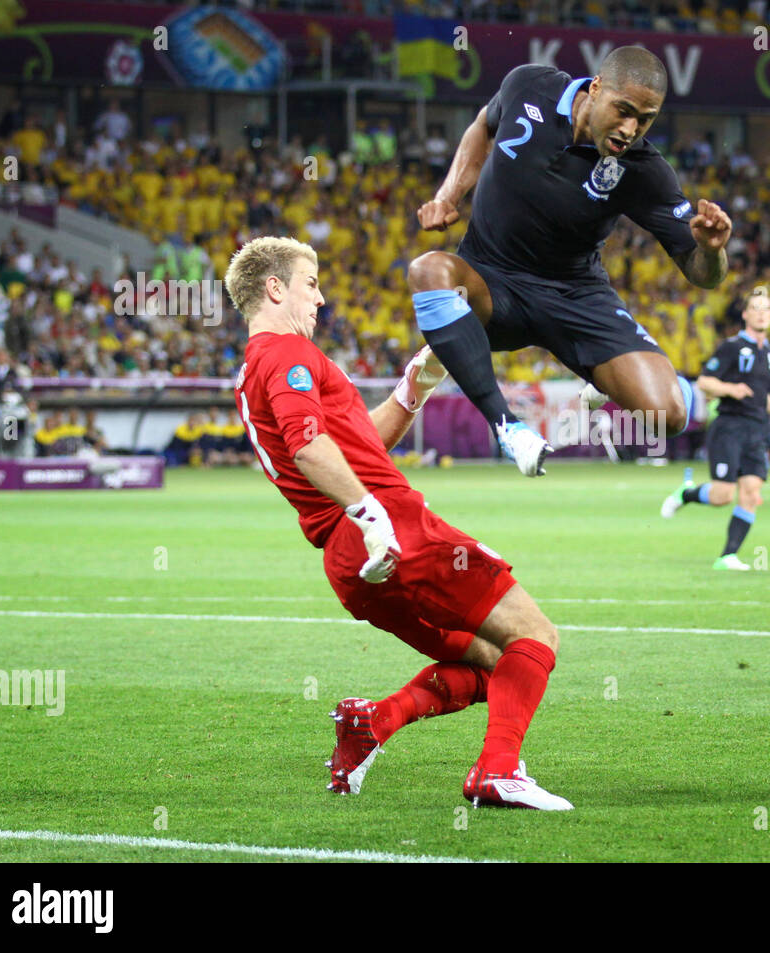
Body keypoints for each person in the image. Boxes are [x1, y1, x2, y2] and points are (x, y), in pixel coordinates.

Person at [226, 236, 570, 810]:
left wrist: (415, 385)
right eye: (311, 284)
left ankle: (375, 722)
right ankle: (497, 771)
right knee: (535, 636)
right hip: (390, 531)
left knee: (492, 663)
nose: (321, 297)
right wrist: (370, 513)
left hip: (351, 563)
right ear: (274, 288)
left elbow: (358, 445)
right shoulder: (287, 354)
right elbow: (309, 448)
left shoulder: (257, 366)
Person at [411, 46, 733, 476]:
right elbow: (482, 129)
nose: (631, 128)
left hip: (575, 297)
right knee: (428, 270)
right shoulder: (528, 84)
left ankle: (604, 377)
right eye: (624, 110)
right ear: (597, 88)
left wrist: (712, 251)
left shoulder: (644, 170)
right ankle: (507, 427)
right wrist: (447, 197)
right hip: (492, 284)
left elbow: (701, 274)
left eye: (646, 119)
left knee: (668, 415)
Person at [659, 288, 770, 570]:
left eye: (766, 309)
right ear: (745, 314)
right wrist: (731, 388)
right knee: (722, 495)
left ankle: (727, 556)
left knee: (751, 493)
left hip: (757, 429)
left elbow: (762, 394)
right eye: (755, 308)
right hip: (729, 426)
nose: (761, 313)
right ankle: (686, 494)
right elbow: (705, 382)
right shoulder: (732, 347)